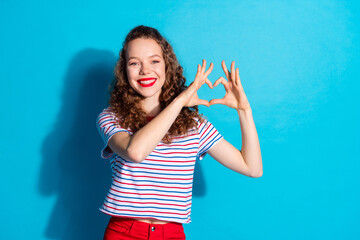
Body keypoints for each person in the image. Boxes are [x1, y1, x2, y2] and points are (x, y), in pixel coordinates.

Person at [96, 25, 262, 240]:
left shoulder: (193, 124)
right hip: (123, 232)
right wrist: (180, 100)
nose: (145, 70)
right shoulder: (111, 117)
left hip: (171, 233)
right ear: (124, 70)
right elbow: (135, 151)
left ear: (167, 66)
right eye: (134, 63)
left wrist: (244, 110)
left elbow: (252, 168)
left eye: (154, 61)